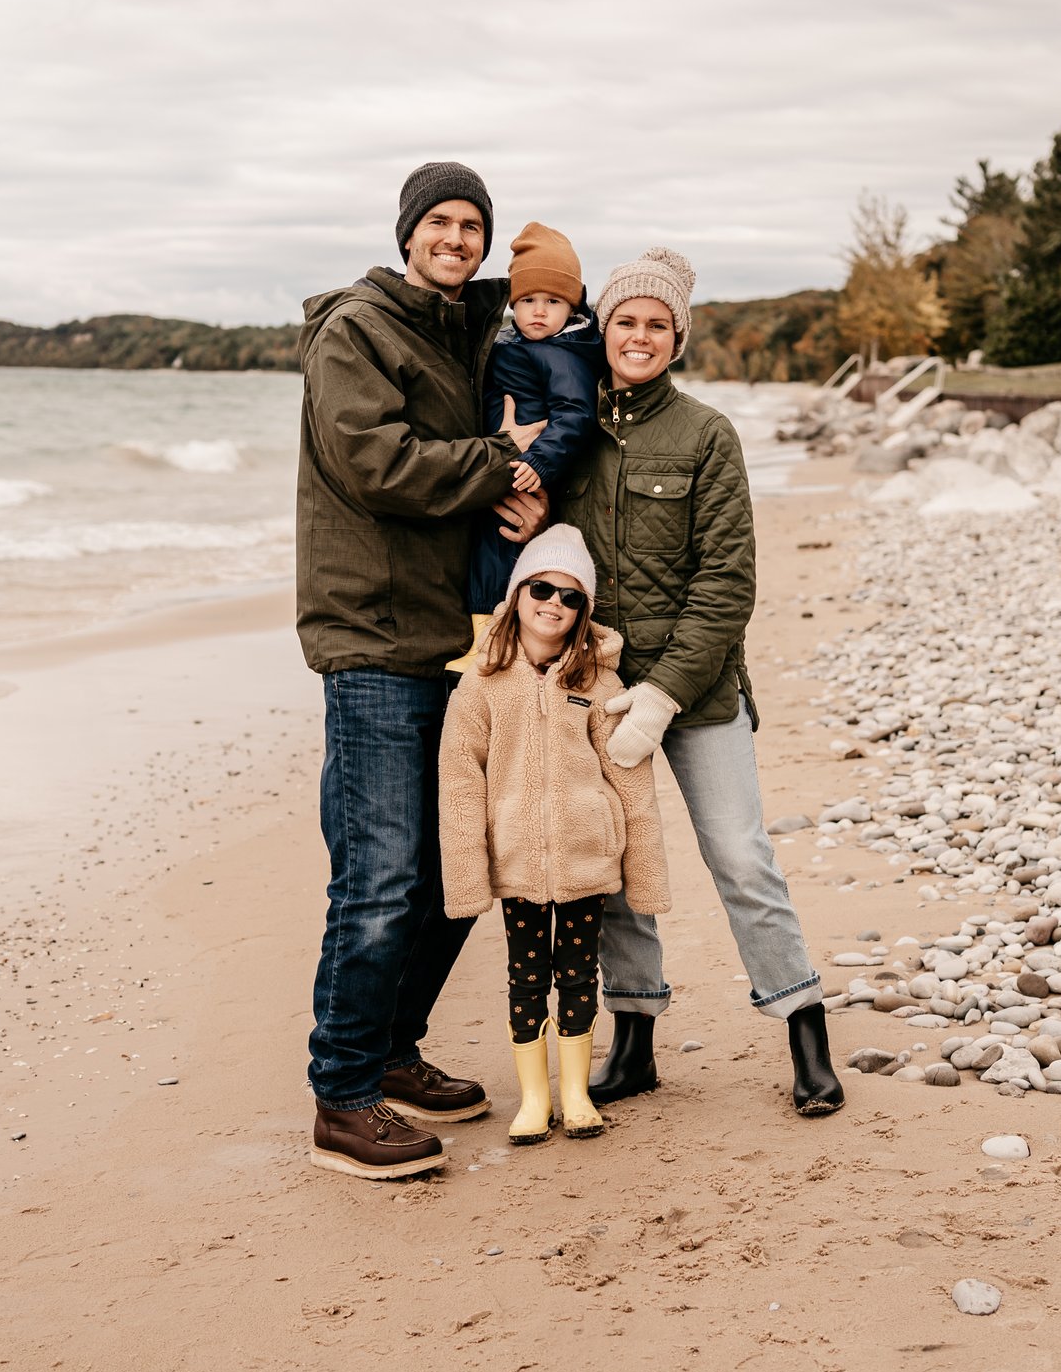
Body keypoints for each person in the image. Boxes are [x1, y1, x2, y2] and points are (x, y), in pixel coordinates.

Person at [294, 160, 548, 1180]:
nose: (455, 237)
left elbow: (550, 322)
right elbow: (376, 461)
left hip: (451, 631)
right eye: (438, 222)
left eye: (470, 224)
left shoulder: (462, 326)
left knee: (453, 873)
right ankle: (344, 1094)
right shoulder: (355, 331)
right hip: (371, 635)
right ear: (406, 233)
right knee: (382, 872)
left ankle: (393, 1050)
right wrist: (497, 462)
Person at [559, 246, 844, 1117]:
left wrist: (665, 691)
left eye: (656, 324)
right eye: (624, 320)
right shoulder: (569, 430)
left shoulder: (706, 434)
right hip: (596, 691)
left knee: (739, 855)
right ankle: (634, 1038)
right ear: (601, 330)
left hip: (700, 692)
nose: (638, 335)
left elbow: (728, 583)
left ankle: (804, 1025)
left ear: (676, 339)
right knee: (612, 867)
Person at [438, 524, 669, 1146]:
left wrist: (645, 874)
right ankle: (534, 1097)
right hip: (516, 860)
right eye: (542, 588)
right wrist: (467, 878)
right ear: (517, 594)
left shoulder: (599, 684)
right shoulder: (480, 684)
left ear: (584, 611)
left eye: (571, 598)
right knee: (526, 975)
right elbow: (460, 786)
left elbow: (631, 782)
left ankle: (575, 1092)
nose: (554, 605)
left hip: (586, 860)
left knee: (578, 974)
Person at [463, 224, 603, 624]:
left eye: (552, 300)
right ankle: (483, 630)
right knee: (486, 550)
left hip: (525, 468)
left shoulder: (562, 354)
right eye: (527, 299)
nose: (538, 310)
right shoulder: (517, 342)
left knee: (502, 549)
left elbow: (575, 414)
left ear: (571, 307)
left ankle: (488, 629)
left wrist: (538, 460)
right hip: (502, 460)